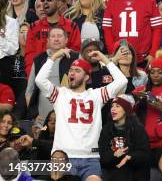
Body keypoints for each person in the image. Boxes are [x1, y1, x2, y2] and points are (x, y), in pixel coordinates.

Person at [34, 47, 127, 180]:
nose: (72, 73)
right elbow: (39, 80)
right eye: (71, 70)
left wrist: (104, 59)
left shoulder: (96, 95)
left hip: (91, 158)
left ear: (87, 77)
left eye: (77, 71)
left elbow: (122, 81)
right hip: (63, 157)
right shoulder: (60, 94)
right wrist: (54, 57)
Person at [103, 0, 162, 66]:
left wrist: (152, 53)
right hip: (119, 57)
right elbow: (107, 29)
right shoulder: (112, 2)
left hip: (143, 59)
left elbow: (157, 29)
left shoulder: (150, 1)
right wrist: (112, 52)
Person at [25, 0, 80, 77]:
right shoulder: (34, 27)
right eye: (43, 0)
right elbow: (30, 54)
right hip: (40, 73)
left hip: (64, 75)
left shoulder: (72, 26)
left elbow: (75, 53)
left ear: (58, 4)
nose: (45, 2)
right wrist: (31, 75)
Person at [98, 95, 150, 181]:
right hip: (113, 174)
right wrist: (114, 155)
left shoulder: (137, 128)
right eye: (112, 106)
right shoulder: (106, 129)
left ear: (126, 110)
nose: (113, 109)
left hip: (134, 174)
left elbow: (144, 154)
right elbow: (102, 155)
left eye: (117, 106)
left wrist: (129, 157)